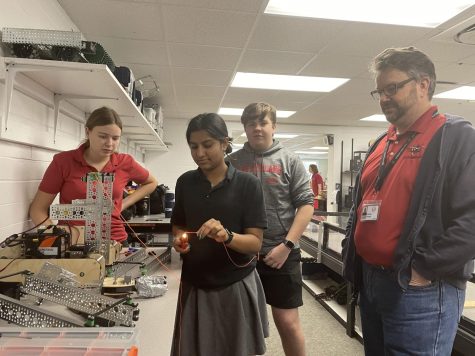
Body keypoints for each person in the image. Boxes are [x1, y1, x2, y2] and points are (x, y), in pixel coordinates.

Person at [342, 47, 475, 355]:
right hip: (373, 281)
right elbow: (360, 208)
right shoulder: (382, 141)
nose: (384, 98)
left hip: (421, 288)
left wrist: (424, 269)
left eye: (392, 88)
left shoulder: (455, 137)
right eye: (379, 91)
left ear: (423, 84)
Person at [170, 113, 268, 356]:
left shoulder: (248, 185)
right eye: (194, 146)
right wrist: (179, 241)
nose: (200, 153)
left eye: (208, 145)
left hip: (233, 285)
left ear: (225, 143)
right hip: (194, 284)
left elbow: (255, 243)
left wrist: (228, 236)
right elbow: (179, 226)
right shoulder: (185, 183)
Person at [229, 102, 314, 356]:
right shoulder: (231, 163)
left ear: (273, 126)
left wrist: (286, 246)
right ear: (245, 127)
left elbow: (306, 205)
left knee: (287, 323)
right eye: (251, 123)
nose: (257, 128)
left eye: (263, 122)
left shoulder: (290, 160)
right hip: (242, 254)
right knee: (240, 324)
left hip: (282, 253)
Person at [29, 106, 158, 243]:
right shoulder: (63, 162)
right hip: (74, 244)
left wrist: (122, 204)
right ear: (87, 132)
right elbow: (37, 210)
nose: (109, 143)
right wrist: (57, 237)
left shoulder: (125, 163)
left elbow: (152, 182)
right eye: (103, 136)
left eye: (115, 138)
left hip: (115, 242)